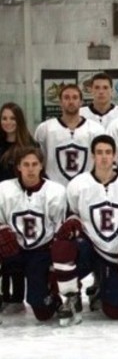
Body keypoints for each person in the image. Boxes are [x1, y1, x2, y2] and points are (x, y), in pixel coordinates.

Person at [51, 135, 118, 326]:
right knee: (62, 247)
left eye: (108, 152)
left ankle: (103, 288)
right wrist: (72, 220)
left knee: (115, 311)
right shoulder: (78, 184)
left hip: (117, 252)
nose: (104, 157)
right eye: (99, 152)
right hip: (88, 247)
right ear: (92, 156)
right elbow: (71, 215)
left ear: (115, 156)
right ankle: (71, 295)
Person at [0, 147, 65, 322]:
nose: (30, 169)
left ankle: (52, 297)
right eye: (26, 164)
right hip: (12, 250)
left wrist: (54, 264)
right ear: (18, 166)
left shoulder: (55, 191)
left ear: (41, 166)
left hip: (40, 253)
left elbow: (60, 231)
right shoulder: (4, 189)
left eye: (34, 164)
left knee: (42, 313)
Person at [0, 102, 37, 313]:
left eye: (12, 118)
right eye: (4, 118)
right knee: (3, 248)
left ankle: (17, 297)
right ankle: (4, 294)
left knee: (16, 247)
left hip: (20, 203)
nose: (8, 122)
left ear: (19, 121)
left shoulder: (29, 145)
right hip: (0, 203)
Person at [34, 84, 105, 187]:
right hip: (53, 188)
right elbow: (37, 160)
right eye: (66, 98)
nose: (71, 101)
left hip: (86, 188)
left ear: (81, 102)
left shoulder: (96, 130)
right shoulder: (45, 129)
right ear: (60, 102)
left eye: (75, 98)